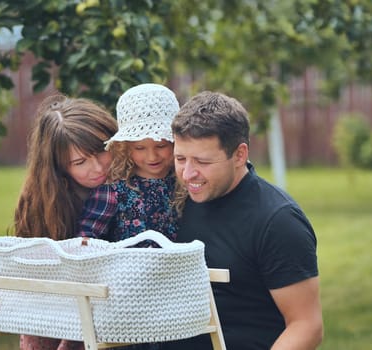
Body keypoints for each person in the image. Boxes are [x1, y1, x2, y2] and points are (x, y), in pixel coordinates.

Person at [163, 91, 323, 350]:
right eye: (180, 158)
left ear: (239, 155)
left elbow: (306, 325)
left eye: (203, 161)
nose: (188, 173)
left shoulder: (278, 221)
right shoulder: (173, 201)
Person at [11, 93, 118, 350]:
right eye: (80, 162)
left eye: (103, 151)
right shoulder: (44, 203)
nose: (98, 168)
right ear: (59, 168)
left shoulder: (131, 183)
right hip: (59, 311)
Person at [79, 83, 180, 245]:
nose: (152, 156)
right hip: (129, 268)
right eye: (140, 148)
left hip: (181, 268)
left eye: (161, 146)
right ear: (126, 147)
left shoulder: (184, 184)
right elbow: (87, 237)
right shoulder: (113, 191)